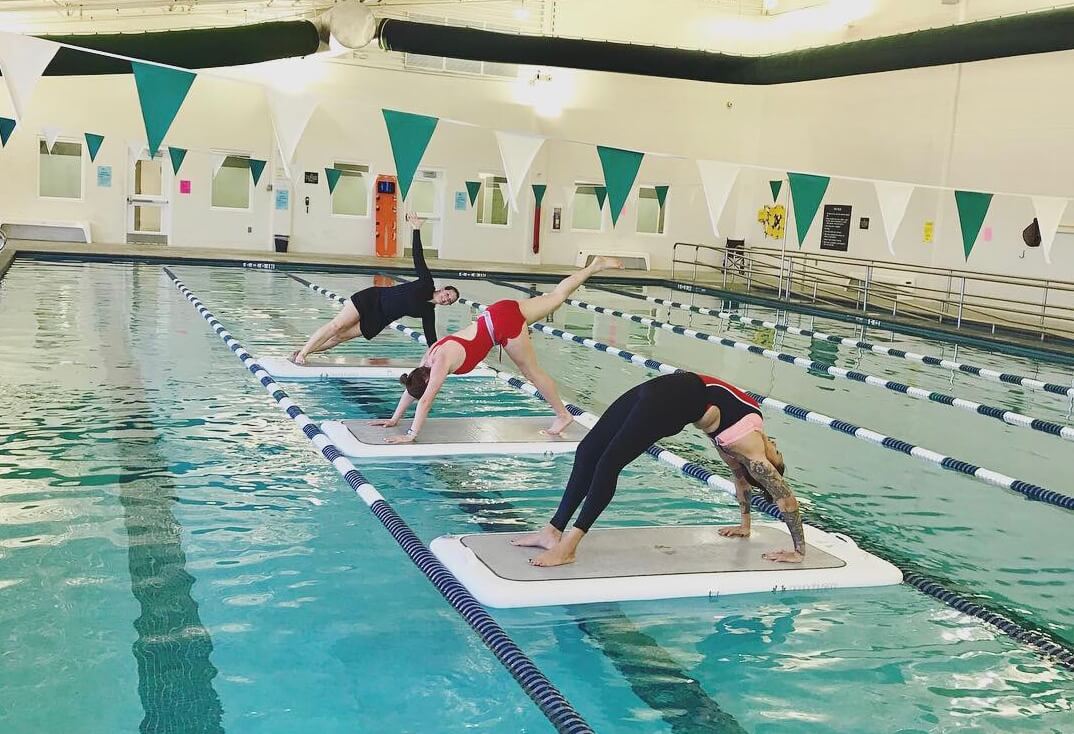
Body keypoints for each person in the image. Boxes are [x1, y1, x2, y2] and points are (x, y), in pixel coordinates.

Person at [512, 371, 804, 567]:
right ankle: (553, 531)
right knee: (587, 450)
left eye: (776, 453)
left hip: (670, 402)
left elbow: (787, 500)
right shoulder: (738, 452)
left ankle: (570, 546)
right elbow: (742, 484)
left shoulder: (753, 453)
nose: (775, 445)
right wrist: (745, 525)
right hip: (663, 388)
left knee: (609, 463)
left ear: (770, 465)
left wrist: (798, 551)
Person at [372, 256, 623, 441]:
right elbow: (413, 388)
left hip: (503, 328)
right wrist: (395, 418)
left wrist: (411, 434)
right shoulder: (429, 356)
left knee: (532, 372)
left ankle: (563, 415)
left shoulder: (440, 363)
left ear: (427, 378)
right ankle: (594, 266)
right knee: (556, 296)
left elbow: (426, 399)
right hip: (497, 310)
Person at [290, 213, 459, 364]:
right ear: (443, 289)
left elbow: (431, 339)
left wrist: (440, 358)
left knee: (339, 338)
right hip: (372, 299)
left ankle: (302, 352)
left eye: (449, 300)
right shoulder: (427, 283)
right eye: (448, 294)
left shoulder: (428, 312)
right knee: (336, 326)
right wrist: (416, 229)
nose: (446, 299)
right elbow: (418, 257)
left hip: (378, 320)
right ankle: (303, 353)